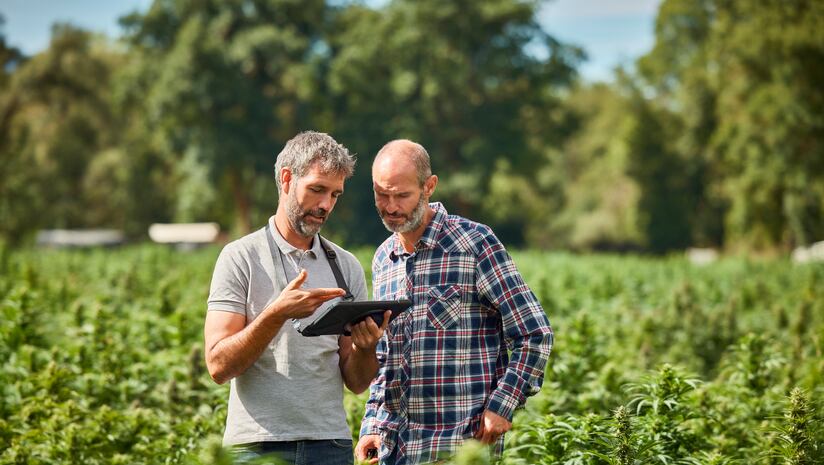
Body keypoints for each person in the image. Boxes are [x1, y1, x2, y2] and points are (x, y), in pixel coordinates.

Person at [355, 140, 554, 464]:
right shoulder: (383, 259)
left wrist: (502, 405)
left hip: (460, 447)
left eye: (402, 195)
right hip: (396, 450)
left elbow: (535, 334)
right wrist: (372, 425)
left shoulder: (474, 244)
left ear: (429, 187)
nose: (391, 207)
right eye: (382, 195)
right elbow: (385, 356)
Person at [205, 131, 390, 465]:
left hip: (328, 444)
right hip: (256, 445)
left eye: (335, 194)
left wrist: (366, 347)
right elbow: (218, 366)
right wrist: (275, 315)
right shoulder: (240, 257)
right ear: (287, 179)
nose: (325, 205)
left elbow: (358, 382)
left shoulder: (345, 265)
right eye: (317, 189)